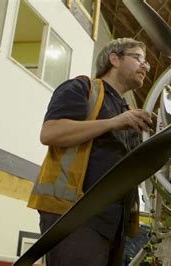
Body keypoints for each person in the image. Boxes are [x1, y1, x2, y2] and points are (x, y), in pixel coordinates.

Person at [27, 38, 153, 266]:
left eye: (147, 63)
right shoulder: (82, 88)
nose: (145, 66)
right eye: (138, 58)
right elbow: (50, 133)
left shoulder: (128, 112)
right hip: (75, 215)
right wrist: (113, 123)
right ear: (114, 59)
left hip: (114, 223)